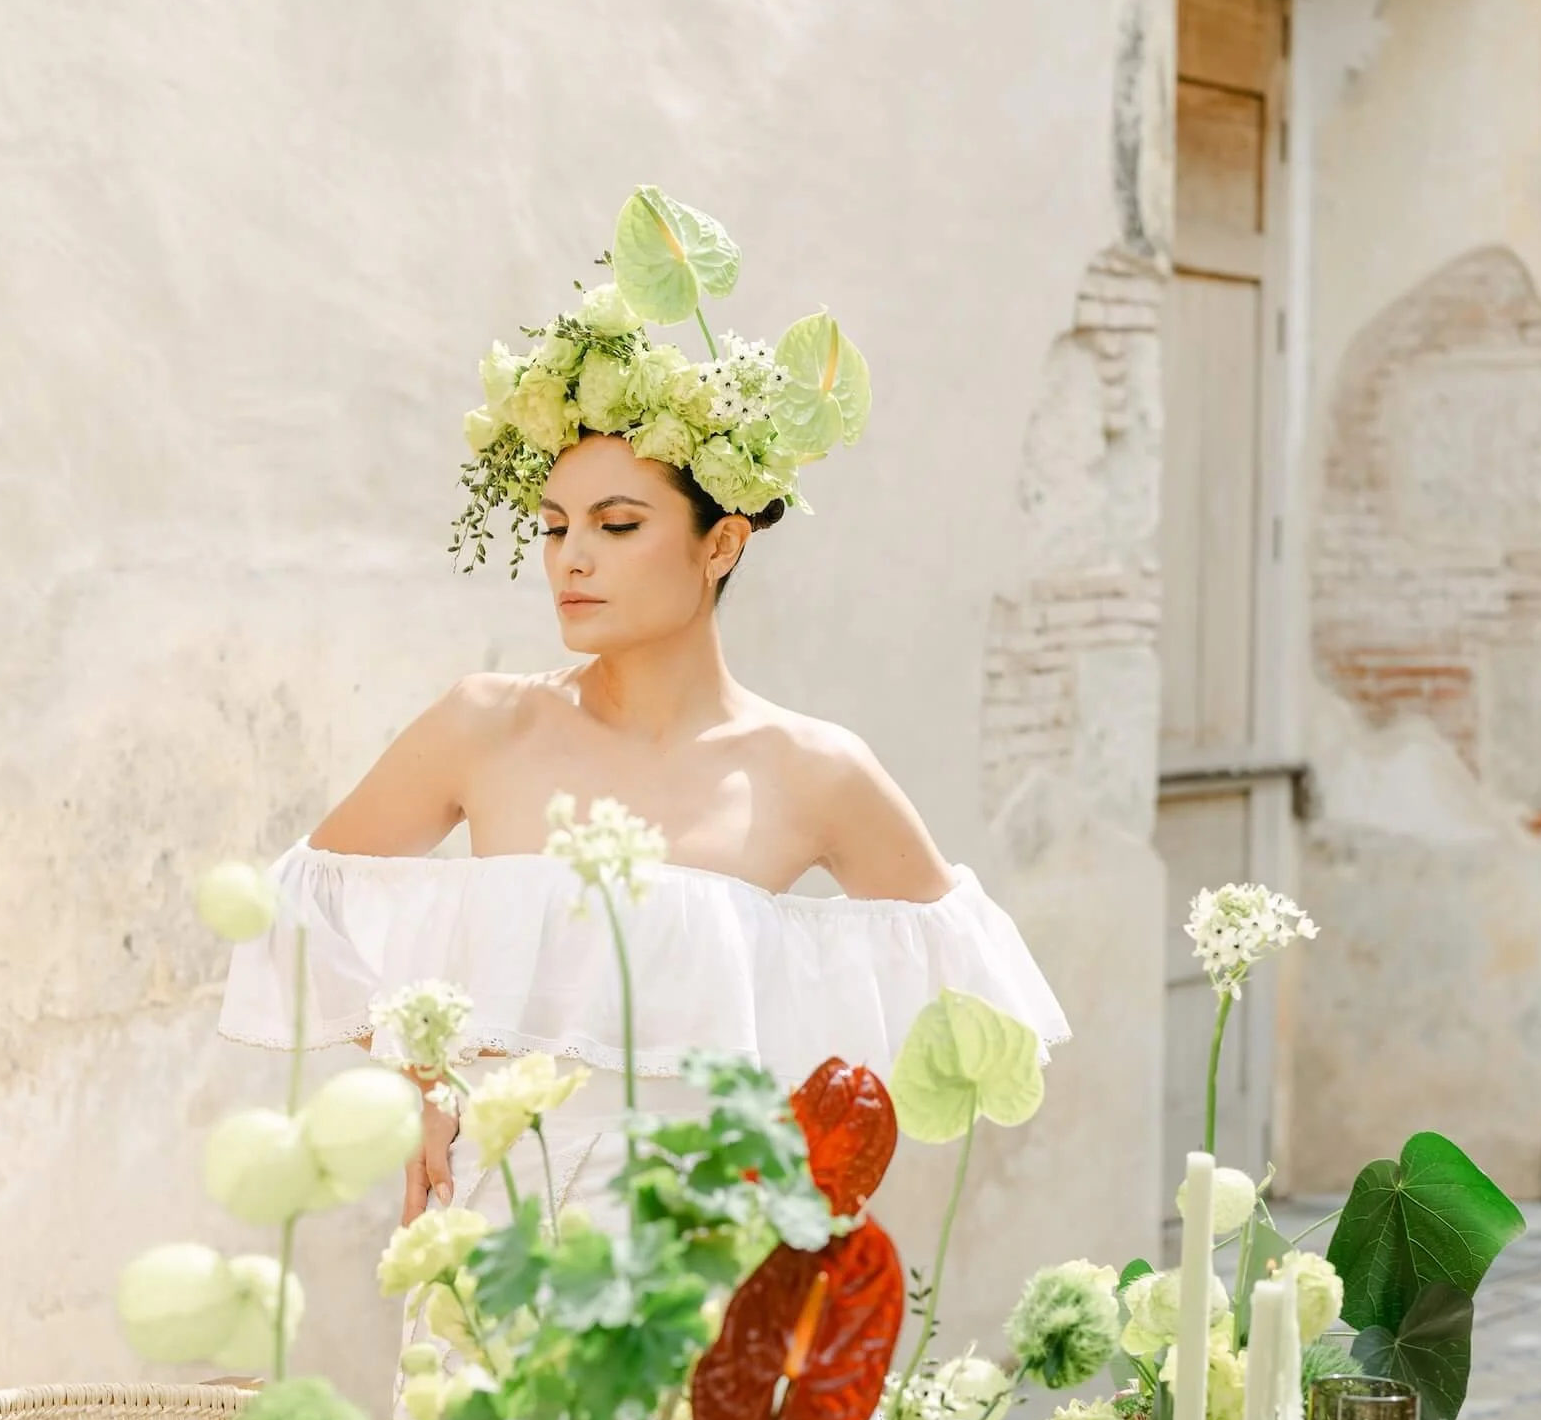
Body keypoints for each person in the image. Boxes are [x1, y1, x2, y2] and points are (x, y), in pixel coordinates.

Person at [220, 189, 1069, 1229]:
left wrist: (807, 1179)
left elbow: (970, 1007)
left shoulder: (812, 769)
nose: (570, 557)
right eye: (553, 526)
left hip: (704, 1247)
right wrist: (416, 1078)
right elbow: (299, 906)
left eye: (618, 525)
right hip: (498, 1228)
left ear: (721, 543)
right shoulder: (485, 724)